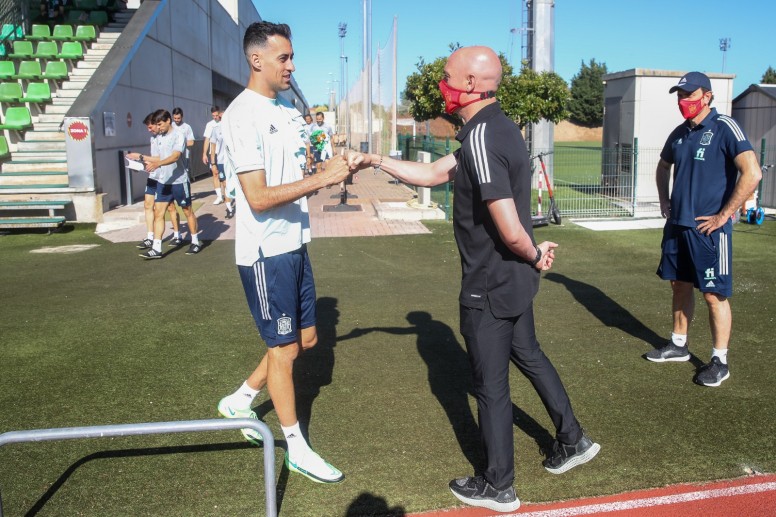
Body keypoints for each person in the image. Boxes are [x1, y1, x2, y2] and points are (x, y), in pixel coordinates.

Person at [347, 46, 599, 513]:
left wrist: (533, 251)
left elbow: (506, 224)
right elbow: (429, 174)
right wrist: (375, 161)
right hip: (514, 280)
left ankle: (498, 485)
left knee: (490, 387)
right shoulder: (494, 130)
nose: (441, 82)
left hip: (491, 285)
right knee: (530, 355)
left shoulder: (481, 138)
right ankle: (573, 440)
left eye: (446, 75)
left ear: (467, 84)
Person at [216, 21, 351, 484]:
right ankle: (296, 447)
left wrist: (326, 161)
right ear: (257, 60)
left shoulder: (289, 109)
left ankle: (238, 399)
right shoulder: (241, 115)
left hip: (295, 243)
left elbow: (301, 169)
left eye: (292, 57)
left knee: (306, 341)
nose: (292, 66)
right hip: (264, 254)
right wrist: (322, 179)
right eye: (283, 58)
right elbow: (256, 197)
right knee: (283, 350)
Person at [645, 72, 762, 387]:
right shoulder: (681, 133)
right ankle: (678, 345)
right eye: (680, 96)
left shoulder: (725, 128)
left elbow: (752, 173)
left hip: (709, 231)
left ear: (707, 96)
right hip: (677, 226)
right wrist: (663, 199)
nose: (684, 102)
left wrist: (725, 214)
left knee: (713, 294)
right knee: (679, 286)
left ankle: (719, 361)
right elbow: (662, 166)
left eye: (689, 95)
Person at [137, 109, 202, 258]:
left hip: (179, 181)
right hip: (163, 182)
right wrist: (141, 159)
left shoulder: (179, 135)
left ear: (168, 121)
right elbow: (158, 157)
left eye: (160, 124)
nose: (158, 127)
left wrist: (158, 163)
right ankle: (157, 249)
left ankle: (195, 241)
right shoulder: (159, 137)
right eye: (157, 125)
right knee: (159, 213)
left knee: (187, 211)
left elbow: (175, 156)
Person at [129, 112, 181, 250]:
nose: (149, 129)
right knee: (147, 205)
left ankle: (177, 235)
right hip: (153, 175)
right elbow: (153, 159)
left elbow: (160, 158)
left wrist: (140, 156)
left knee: (169, 207)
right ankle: (150, 237)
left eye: (151, 126)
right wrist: (139, 163)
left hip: (164, 177)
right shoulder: (154, 138)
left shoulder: (167, 137)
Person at [209, 120, 234, 219]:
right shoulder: (216, 129)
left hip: (234, 161)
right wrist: (213, 163)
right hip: (221, 162)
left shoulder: (233, 127)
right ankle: (229, 208)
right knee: (225, 184)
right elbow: (213, 147)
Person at [201, 105, 224, 203]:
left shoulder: (225, 122)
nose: (215, 117)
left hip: (224, 153)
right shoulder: (210, 124)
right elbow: (207, 139)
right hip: (214, 153)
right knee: (215, 174)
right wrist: (204, 154)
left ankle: (229, 194)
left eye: (216, 115)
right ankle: (219, 196)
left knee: (225, 177)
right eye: (213, 116)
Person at [172, 107, 195, 181]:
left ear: (182, 117)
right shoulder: (170, 126)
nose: (176, 120)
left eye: (178, 118)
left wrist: (180, 144)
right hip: (172, 156)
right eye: (175, 118)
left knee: (185, 176)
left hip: (184, 157)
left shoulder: (187, 127)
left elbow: (191, 142)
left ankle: (187, 192)